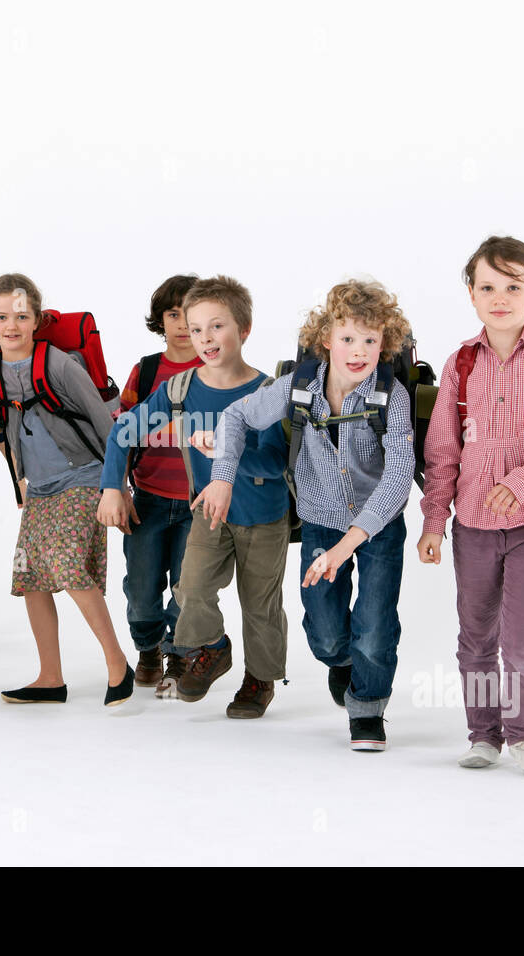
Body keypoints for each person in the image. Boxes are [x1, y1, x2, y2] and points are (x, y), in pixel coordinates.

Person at [193, 279, 414, 748]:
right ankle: (341, 662)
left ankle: (368, 709)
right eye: (348, 338)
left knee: (374, 626)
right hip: (319, 515)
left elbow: (397, 477)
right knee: (328, 634)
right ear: (326, 340)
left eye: (371, 340)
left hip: (378, 526)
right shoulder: (299, 388)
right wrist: (223, 475)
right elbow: (236, 416)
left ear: (385, 344)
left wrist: (347, 545)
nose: (358, 352)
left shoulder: (391, 397)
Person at [417, 236, 524, 773]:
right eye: (487, 286)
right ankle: (483, 735)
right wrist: (433, 522)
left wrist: (521, 482)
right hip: (471, 524)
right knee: (475, 636)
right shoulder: (460, 363)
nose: (500, 297)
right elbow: (443, 451)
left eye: (513, 286)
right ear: (471, 294)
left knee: (522, 638)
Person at [0, 273, 134, 706]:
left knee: (67, 564)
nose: (10, 325)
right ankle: (50, 678)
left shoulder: (58, 364)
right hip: (40, 489)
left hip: (86, 475)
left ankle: (116, 663)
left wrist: (118, 487)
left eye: (20, 316)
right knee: (32, 577)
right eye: (0, 317)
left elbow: (108, 427)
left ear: (36, 320)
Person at [115, 275, 289, 717]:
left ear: (244, 329)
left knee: (260, 605)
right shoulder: (180, 389)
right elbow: (124, 429)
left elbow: (276, 463)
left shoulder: (269, 392)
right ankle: (213, 647)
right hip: (208, 513)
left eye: (217, 326)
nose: (205, 338)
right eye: (196, 329)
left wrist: (230, 448)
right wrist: (110, 486)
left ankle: (260, 679)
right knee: (190, 588)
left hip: (262, 515)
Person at [110, 274, 202, 692]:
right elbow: (121, 433)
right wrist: (117, 488)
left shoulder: (214, 371)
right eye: (173, 314)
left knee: (188, 587)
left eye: (192, 315)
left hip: (198, 505)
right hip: (146, 498)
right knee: (142, 586)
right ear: (161, 321)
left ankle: (176, 651)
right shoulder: (146, 371)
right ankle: (147, 647)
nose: (182, 324)